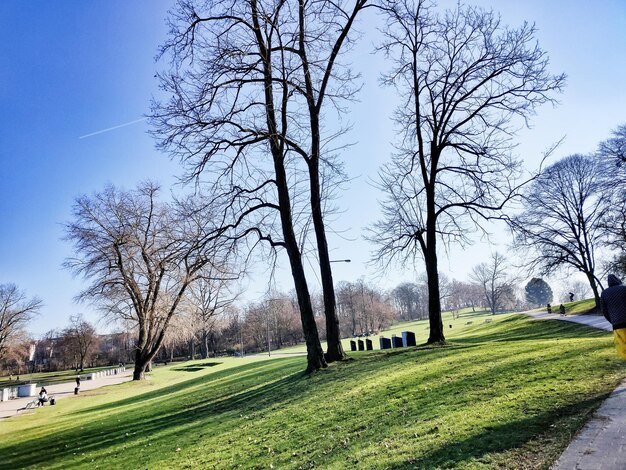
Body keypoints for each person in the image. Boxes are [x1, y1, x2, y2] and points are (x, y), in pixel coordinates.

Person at [600, 274, 626, 359]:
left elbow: (604, 310)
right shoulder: (624, 289)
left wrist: (612, 320)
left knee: (623, 345)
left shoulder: (604, 293)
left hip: (617, 324)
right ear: (617, 279)